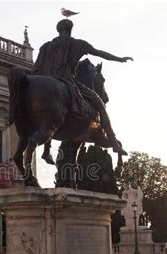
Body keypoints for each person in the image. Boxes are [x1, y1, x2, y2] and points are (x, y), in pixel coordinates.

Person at [31, 19, 132, 162]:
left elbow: (35, 68)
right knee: (100, 106)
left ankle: (46, 150)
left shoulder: (46, 46)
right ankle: (114, 144)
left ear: (58, 30)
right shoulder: (77, 44)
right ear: (71, 29)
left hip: (48, 80)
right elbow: (100, 53)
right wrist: (119, 59)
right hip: (68, 80)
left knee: (50, 114)